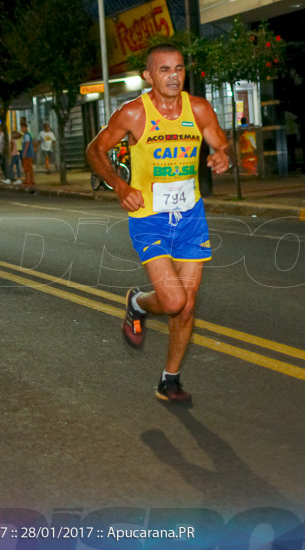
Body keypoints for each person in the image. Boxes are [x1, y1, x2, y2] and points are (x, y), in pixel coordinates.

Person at [87, 43, 230, 404]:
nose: (173, 76)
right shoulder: (133, 113)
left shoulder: (198, 109)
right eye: (164, 69)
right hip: (149, 218)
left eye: (179, 68)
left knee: (187, 303)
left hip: (191, 217)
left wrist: (222, 156)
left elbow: (220, 143)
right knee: (171, 300)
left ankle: (170, 378)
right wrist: (119, 186)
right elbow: (95, 150)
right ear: (148, 76)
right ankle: (137, 303)